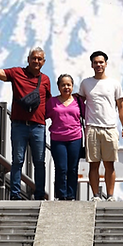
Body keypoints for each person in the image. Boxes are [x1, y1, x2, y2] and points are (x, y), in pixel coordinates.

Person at [0, 38, 49, 200]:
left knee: (39, 162)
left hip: (38, 126)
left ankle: (39, 196)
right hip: (19, 125)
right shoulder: (17, 73)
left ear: (43, 62)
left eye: (39, 59)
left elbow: (48, 103)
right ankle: (15, 195)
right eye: (34, 58)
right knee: (18, 160)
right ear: (28, 60)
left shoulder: (45, 80)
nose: (36, 61)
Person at [77, 50, 123, 200]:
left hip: (110, 127)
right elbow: (79, 103)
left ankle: (110, 195)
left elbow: (121, 106)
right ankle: (95, 195)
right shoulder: (86, 83)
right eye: (95, 62)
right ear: (91, 65)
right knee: (93, 164)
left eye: (101, 62)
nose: (98, 65)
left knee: (109, 164)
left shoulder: (114, 83)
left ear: (106, 64)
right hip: (92, 127)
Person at [46, 74, 83, 202]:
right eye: (63, 85)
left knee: (73, 168)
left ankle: (71, 195)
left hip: (75, 138)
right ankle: (61, 195)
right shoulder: (52, 102)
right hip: (58, 139)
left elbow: (87, 115)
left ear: (72, 86)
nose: (66, 87)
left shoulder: (78, 102)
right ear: (58, 87)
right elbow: (42, 115)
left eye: (69, 84)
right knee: (61, 168)